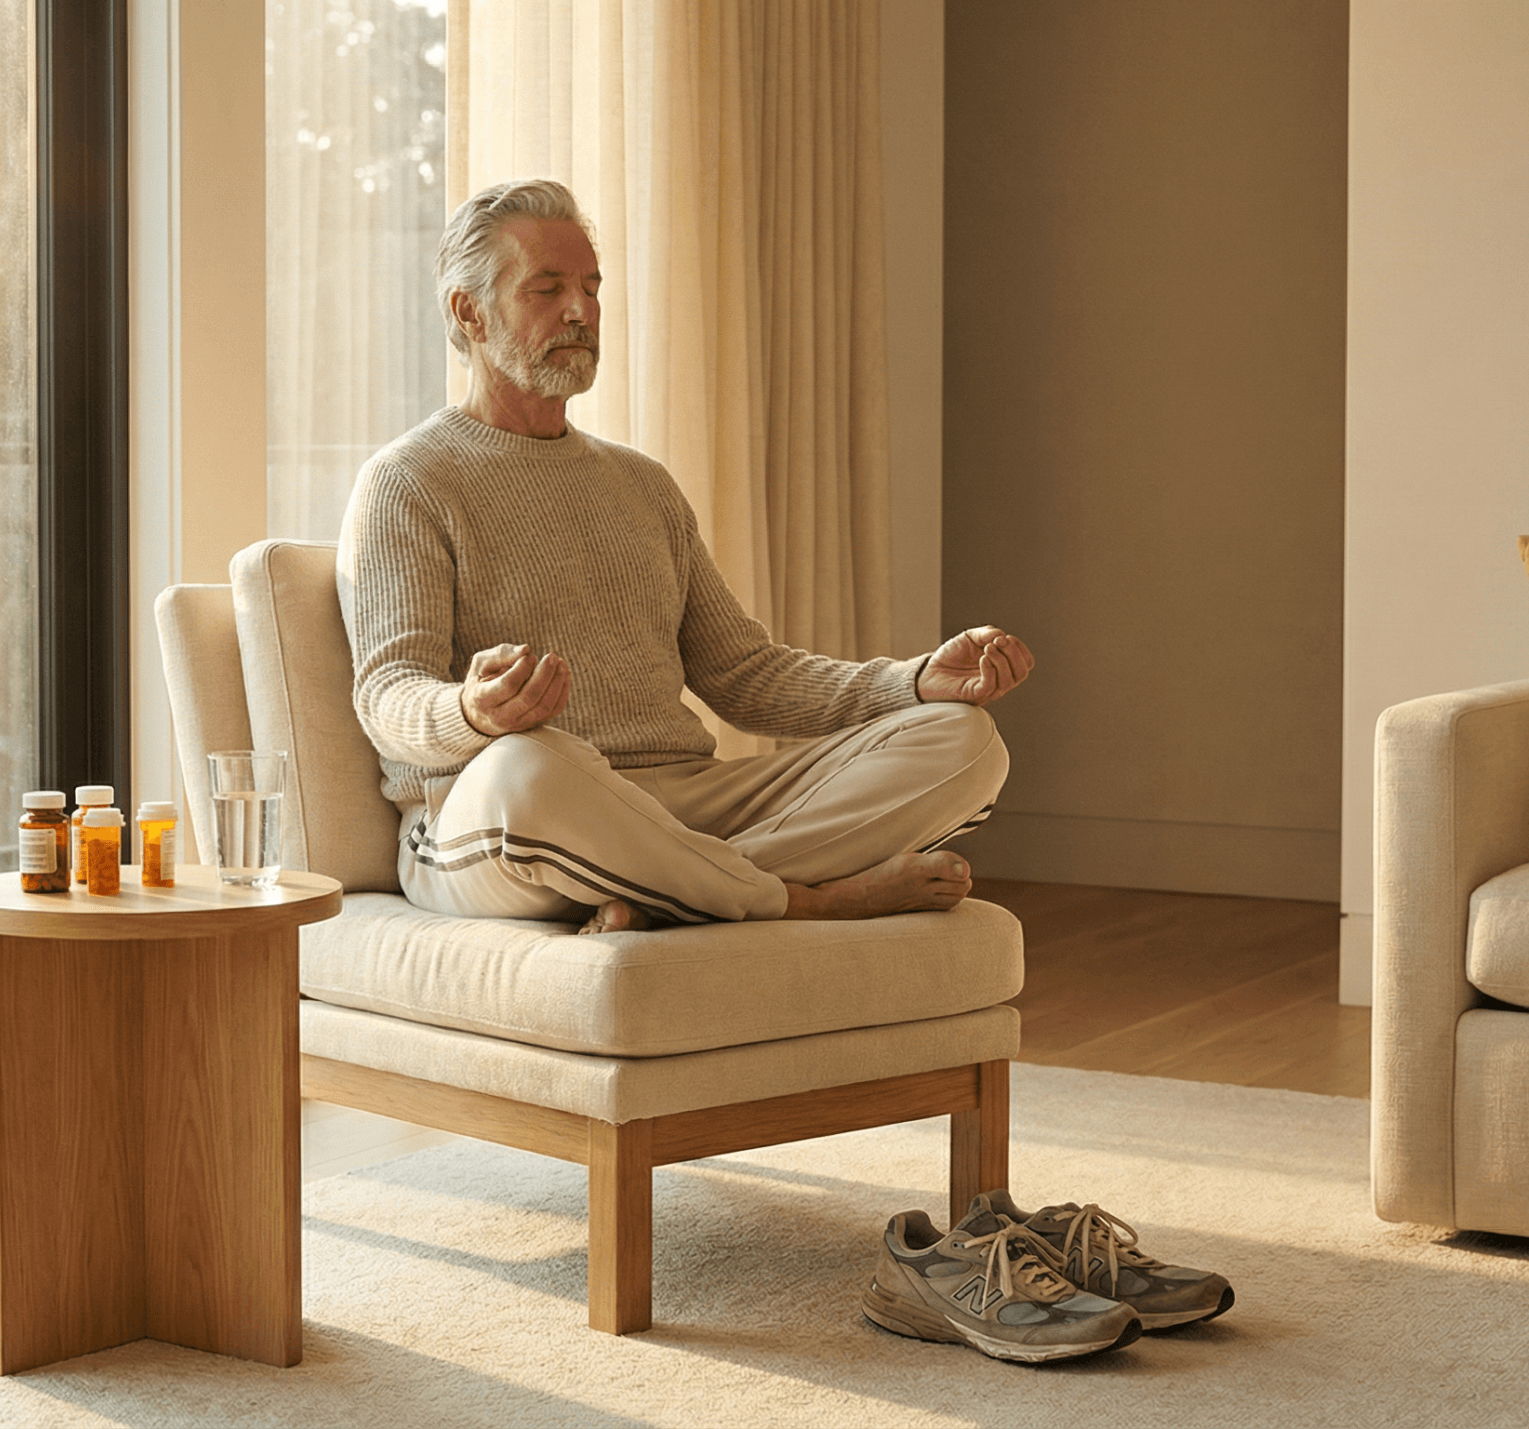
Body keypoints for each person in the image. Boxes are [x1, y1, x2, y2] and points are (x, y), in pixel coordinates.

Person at [336, 177, 1035, 932]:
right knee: (531, 764)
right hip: (502, 812)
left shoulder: (641, 483)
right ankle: (802, 897)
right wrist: (469, 710)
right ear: (468, 311)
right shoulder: (407, 480)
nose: (581, 310)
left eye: (591, 287)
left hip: (684, 797)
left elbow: (744, 673)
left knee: (964, 744)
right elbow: (387, 695)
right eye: (547, 289)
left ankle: (670, 891)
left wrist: (914, 682)